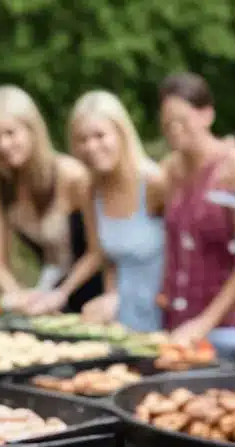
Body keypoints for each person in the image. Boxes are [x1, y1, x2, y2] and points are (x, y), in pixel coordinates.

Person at [157, 73, 235, 368]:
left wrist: (204, 323)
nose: (175, 129)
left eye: (183, 119)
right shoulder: (171, 171)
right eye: (168, 122)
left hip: (229, 331)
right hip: (179, 328)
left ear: (207, 114)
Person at [0, 85, 103, 315]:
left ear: (32, 130)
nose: (3, 145)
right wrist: (17, 295)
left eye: (10, 133)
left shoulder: (71, 176)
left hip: (93, 291)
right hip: (50, 291)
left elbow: (97, 252)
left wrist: (61, 293)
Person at [66, 91, 166, 332]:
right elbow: (104, 256)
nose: (91, 146)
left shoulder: (155, 183)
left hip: (165, 318)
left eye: (100, 135)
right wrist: (110, 297)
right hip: (124, 323)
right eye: (82, 139)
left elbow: (185, 257)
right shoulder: (90, 191)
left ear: (122, 134)